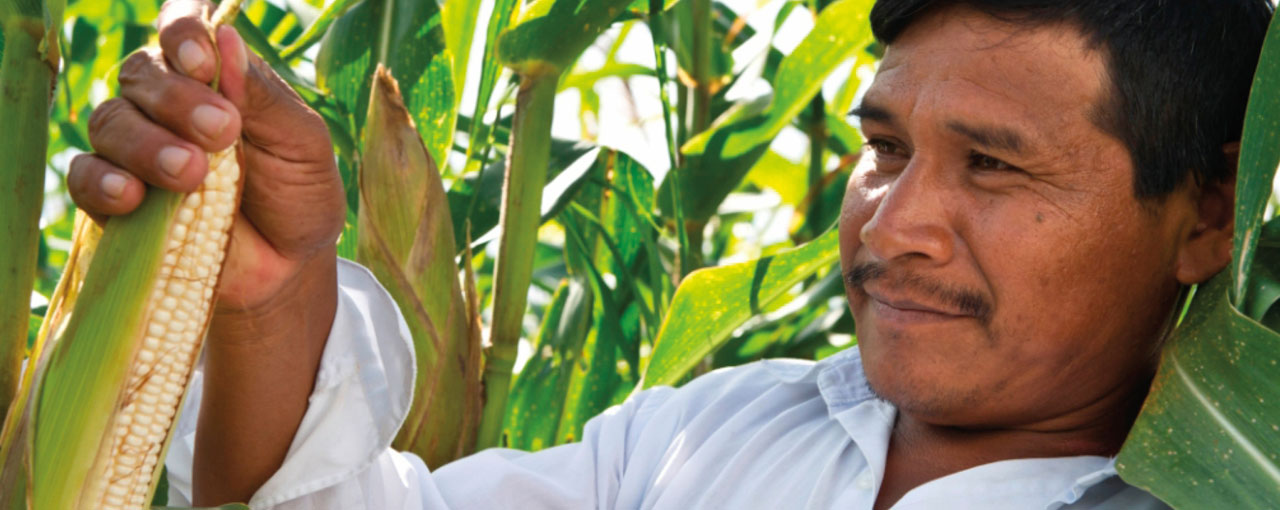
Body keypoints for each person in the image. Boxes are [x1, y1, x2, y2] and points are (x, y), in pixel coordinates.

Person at [69, 0, 1270, 507]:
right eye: (884, 146)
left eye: (993, 167)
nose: (893, 222)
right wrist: (270, 289)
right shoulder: (714, 435)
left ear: (1206, 212)